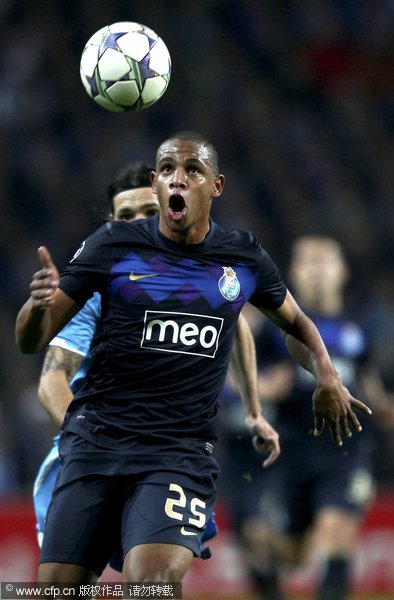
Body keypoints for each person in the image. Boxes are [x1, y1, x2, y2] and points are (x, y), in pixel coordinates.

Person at [15, 131, 371, 586]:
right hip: (94, 449)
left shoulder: (240, 256)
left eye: (191, 170)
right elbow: (33, 340)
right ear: (155, 181)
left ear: (215, 186)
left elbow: (291, 323)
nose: (177, 180)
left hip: (176, 454)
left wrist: (325, 374)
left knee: (151, 585)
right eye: (166, 170)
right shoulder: (111, 247)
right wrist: (36, 307)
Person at [33, 160, 258, 562]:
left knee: (153, 581)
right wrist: (92, 441)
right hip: (90, 457)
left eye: (148, 214)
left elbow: (236, 325)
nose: (136, 225)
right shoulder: (97, 289)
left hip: (167, 457)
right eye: (125, 217)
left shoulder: (204, 282)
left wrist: (254, 408)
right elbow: (52, 383)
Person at [218, 235, 394, 600]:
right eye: (308, 262)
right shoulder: (272, 326)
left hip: (345, 451)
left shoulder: (358, 328)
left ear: (342, 271)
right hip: (292, 453)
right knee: (288, 554)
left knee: (336, 533)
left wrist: (384, 406)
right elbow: (233, 374)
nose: (316, 270)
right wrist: (265, 387)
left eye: (324, 261)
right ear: (294, 274)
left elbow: (369, 384)